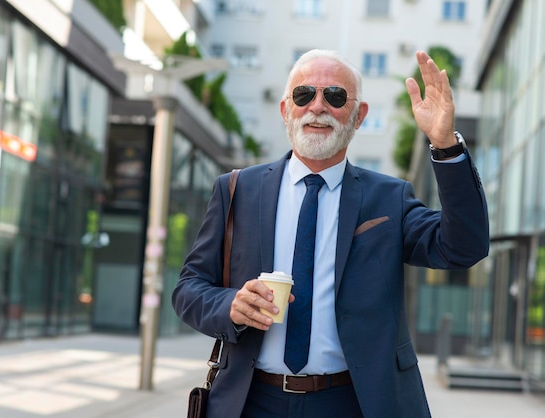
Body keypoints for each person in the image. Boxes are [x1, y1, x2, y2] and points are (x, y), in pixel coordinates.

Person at [172, 49, 489, 418]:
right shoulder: (237, 189)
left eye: (335, 96)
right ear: (285, 110)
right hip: (251, 400)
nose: (317, 107)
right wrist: (231, 306)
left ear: (360, 116)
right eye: (303, 95)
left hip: (353, 402)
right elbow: (188, 289)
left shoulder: (389, 197)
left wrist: (446, 146)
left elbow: (462, 248)